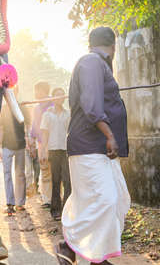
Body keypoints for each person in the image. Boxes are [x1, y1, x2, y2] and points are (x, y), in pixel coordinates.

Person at [55, 27, 131, 265]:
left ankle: (97, 256)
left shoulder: (98, 65)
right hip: (88, 146)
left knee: (118, 199)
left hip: (100, 151)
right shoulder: (91, 62)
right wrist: (109, 134)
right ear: (113, 46)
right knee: (104, 200)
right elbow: (91, 104)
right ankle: (67, 246)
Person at [0, 86, 30, 215]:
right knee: (7, 174)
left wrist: (30, 143)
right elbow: (1, 129)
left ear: (17, 92)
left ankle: (20, 203)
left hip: (20, 146)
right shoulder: (4, 109)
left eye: (14, 90)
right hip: (6, 146)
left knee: (20, 174)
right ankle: (10, 203)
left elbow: (28, 127)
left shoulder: (23, 108)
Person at [40, 87, 71, 221]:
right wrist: (43, 151)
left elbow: (71, 132)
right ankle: (55, 210)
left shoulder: (68, 114)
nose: (60, 97)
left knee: (68, 181)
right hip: (53, 150)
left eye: (62, 95)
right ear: (53, 98)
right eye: (57, 95)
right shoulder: (47, 114)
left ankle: (67, 210)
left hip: (66, 150)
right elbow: (44, 134)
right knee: (55, 180)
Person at [29, 81, 53, 208]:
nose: (36, 93)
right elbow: (34, 125)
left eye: (37, 90)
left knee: (54, 169)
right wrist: (32, 141)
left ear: (44, 91)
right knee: (44, 170)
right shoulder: (36, 107)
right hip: (40, 143)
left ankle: (55, 197)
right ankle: (47, 199)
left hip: (52, 142)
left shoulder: (53, 105)